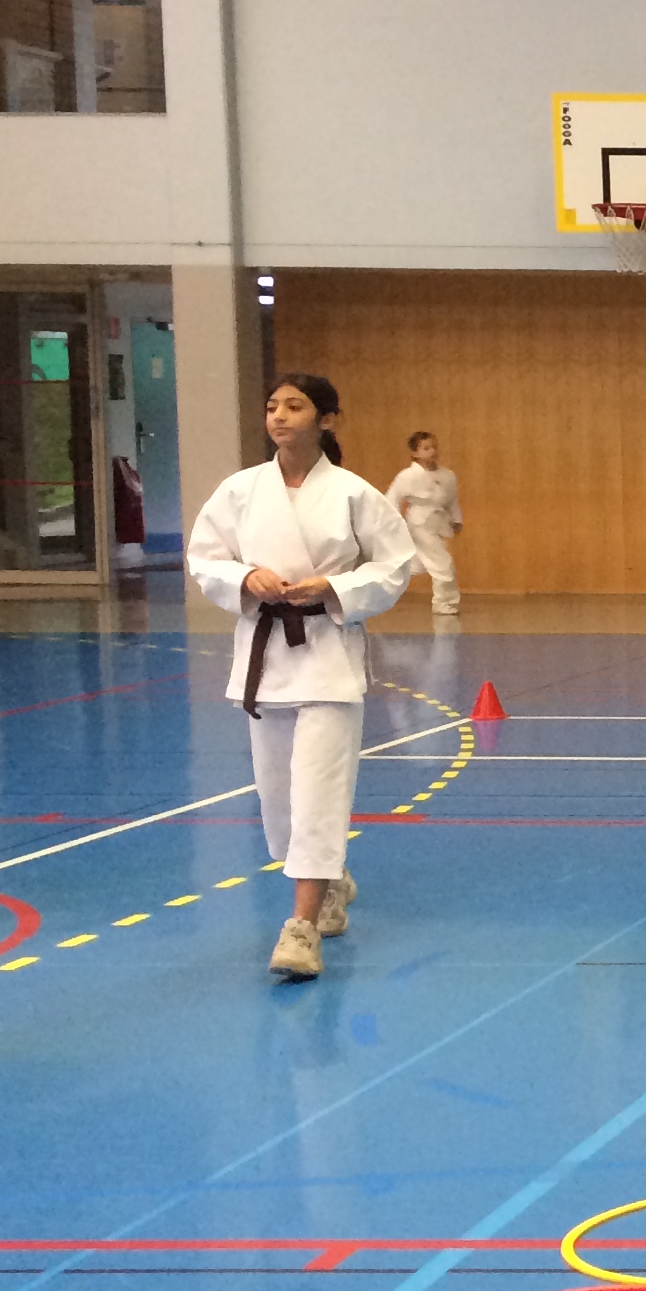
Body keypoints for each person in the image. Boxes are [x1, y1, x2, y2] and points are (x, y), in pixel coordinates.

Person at [185, 374, 419, 980]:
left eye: (295, 406)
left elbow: (396, 564)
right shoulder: (240, 490)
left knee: (318, 793)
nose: (280, 416)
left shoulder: (352, 493)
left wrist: (334, 586)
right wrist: (244, 577)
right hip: (266, 658)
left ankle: (300, 928)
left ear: (326, 420)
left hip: (328, 656)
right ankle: (330, 879)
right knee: (279, 802)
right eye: (272, 406)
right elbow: (204, 556)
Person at [387, 430, 464, 617]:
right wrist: (393, 525)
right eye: (426, 448)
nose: (432, 451)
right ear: (415, 453)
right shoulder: (407, 476)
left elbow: (451, 501)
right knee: (442, 564)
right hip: (419, 523)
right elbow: (391, 499)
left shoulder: (447, 475)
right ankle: (444, 603)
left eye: (434, 447)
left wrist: (456, 519)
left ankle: (380, 582)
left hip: (438, 522)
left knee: (417, 564)